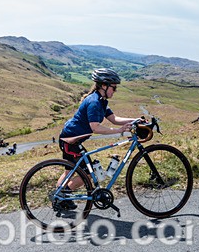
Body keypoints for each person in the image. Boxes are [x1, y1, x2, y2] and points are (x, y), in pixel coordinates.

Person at [56, 68, 140, 209]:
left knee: (70, 171)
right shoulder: (94, 102)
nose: (115, 91)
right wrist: (118, 131)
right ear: (104, 86)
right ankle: (61, 196)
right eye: (114, 88)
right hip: (70, 140)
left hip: (72, 139)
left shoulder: (101, 101)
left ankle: (59, 196)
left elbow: (114, 119)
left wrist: (135, 120)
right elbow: (95, 127)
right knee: (86, 174)